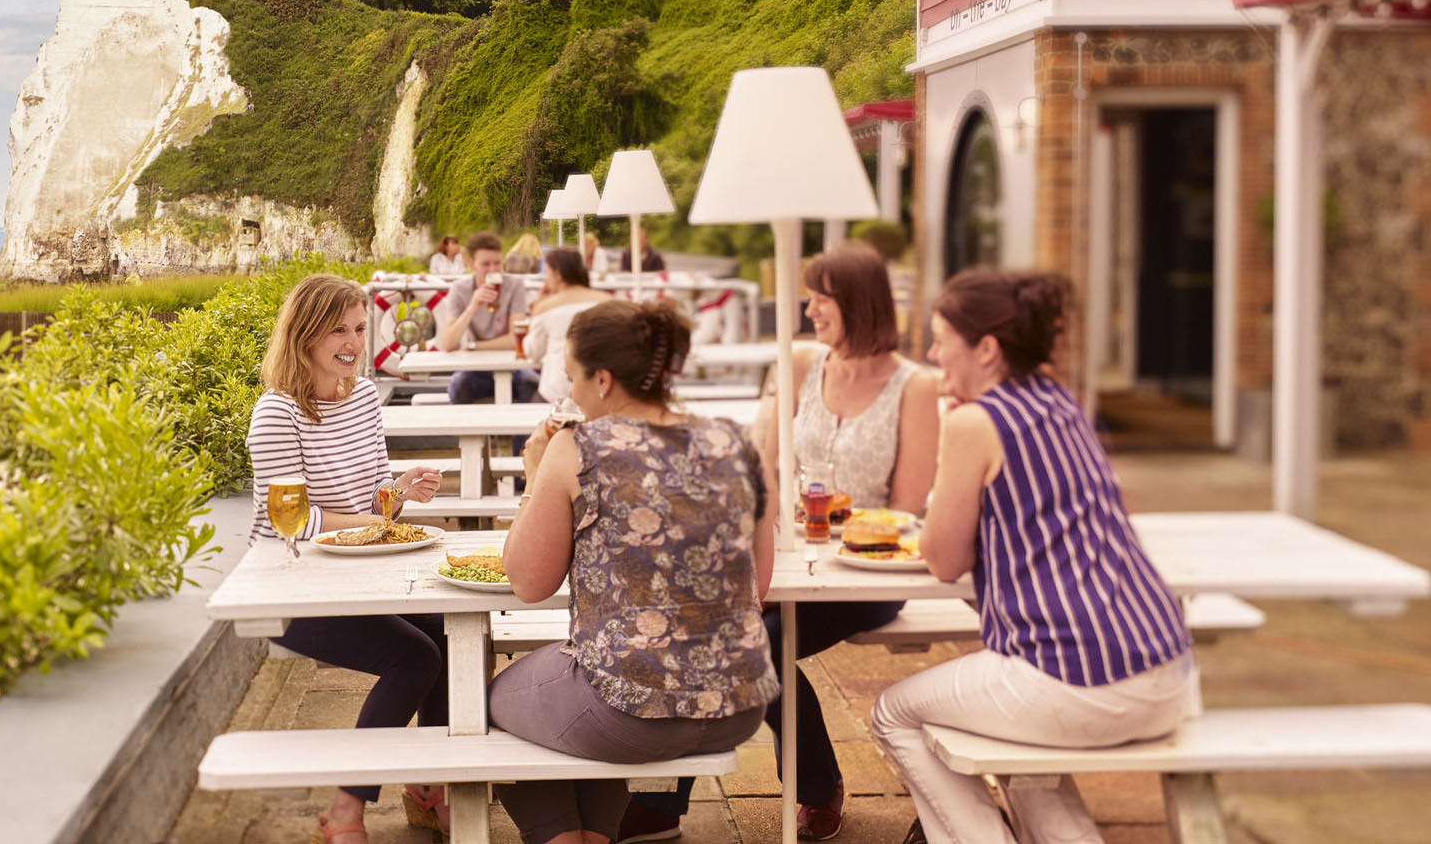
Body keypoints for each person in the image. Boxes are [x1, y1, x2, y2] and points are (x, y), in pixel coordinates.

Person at [623, 243, 938, 844]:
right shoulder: (799, 362)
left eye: (823, 298)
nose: (810, 309)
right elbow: (762, 466)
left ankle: (672, 805)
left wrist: (837, 524)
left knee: (751, 647)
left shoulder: (914, 387)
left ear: (859, 303)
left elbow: (905, 509)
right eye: (811, 296)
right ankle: (788, 788)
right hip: (785, 554)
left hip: (867, 572)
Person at [871, 270, 1197, 844]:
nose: (930, 352)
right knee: (1016, 739)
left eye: (941, 337)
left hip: (1083, 682)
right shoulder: (1057, 399)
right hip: (1166, 672)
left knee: (893, 712)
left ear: (987, 349)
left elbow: (943, 560)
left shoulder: (974, 422)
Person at [489, 299, 777, 844]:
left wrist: (533, 476)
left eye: (572, 379)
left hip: (632, 714)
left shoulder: (578, 448)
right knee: (598, 692)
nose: (568, 395)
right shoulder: (737, 442)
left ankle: (562, 838)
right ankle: (597, 835)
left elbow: (528, 584)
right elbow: (756, 586)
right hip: (740, 702)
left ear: (601, 379)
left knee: (496, 701)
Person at [245, 273, 452, 843]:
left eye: (360, 328)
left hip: (355, 572)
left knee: (447, 631)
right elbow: (300, 520)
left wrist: (402, 489)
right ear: (305, 334)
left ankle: (431, 787)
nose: (353, 341)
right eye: (339, 329)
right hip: (288, 585)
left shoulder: (361, 396)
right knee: (416, 659)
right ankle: (345, 808)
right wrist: (381, 523)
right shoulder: (276, 414)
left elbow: (371, 495)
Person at [433, 231, 538, 404]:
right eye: (486, 264)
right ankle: (469, 432)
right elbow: (448, 343)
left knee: (531, 384)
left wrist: (474, 346)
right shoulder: (460, 289)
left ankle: (522, 433)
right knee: (459, 385)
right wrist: (473, 305)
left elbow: (515, 340)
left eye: (497, 263)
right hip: (476, 368)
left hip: (512, 366)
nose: (493, 270)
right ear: (472, 264)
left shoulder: (514, 285)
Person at [525, 246, 605, 404]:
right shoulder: (607, 301)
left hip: (557, 393)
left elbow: (533, 352)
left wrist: (537, 308)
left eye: (547, 273)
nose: (545, 280)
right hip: (601, 393)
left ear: (558, 274)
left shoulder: (547, 306)